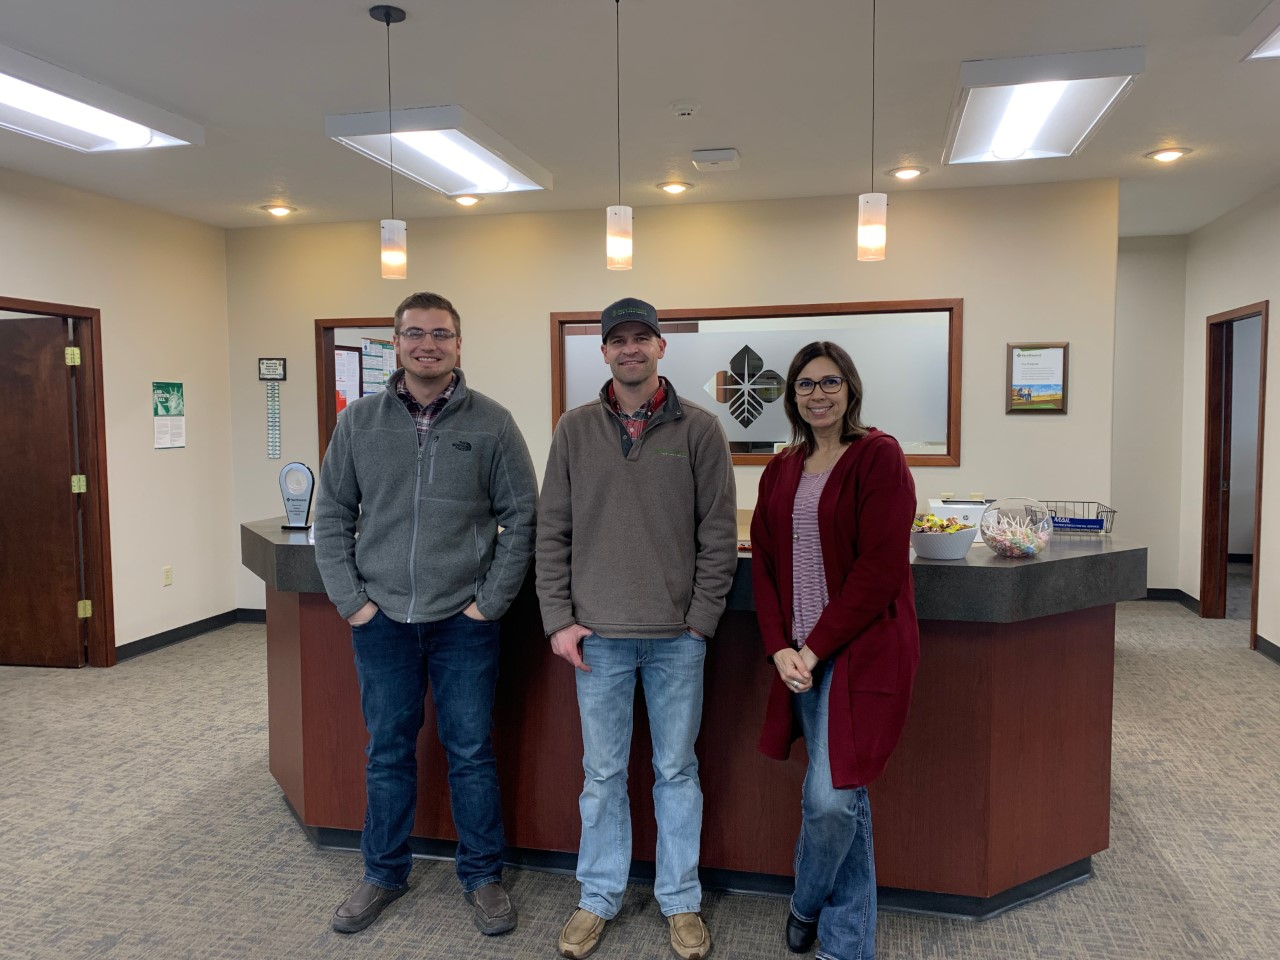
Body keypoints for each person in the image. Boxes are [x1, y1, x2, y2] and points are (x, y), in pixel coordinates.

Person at [313, 291, 537, 937]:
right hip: (381, 620)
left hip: (463, 624)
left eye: (440, 334)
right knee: (387, 752)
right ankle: (382, 873)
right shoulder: (359, 422)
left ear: (459, 344)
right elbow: (332, 514)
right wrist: (353, 603)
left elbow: (522, 516)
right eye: (415, 333)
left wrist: (488, 605)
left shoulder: (492, 423)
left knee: (470, 752)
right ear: (397, 343)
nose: (427, 345)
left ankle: (483, 875)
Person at [536, 297, 738, 960]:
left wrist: (700, 623)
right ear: (603, 352)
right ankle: (597, 897)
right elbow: (552, 531)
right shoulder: (574, 429)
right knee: (601, 775)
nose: (630, 349)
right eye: (618, 340)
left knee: (676, 772)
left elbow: (717, 536)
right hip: (597, 639)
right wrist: (559, 620)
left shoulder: (701, 430)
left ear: (660, 347)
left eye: (641, 338)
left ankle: (680, 901)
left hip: (677, 639)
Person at [749, 341, 919, 960]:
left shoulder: (878, 457)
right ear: (791, 396)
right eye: (804, 384)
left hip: (859, 654)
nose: (817, 394)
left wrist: (814, 649)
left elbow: (879, 571)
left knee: (831, 799)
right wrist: (779, 648)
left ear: (850, 389)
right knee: (845, 798)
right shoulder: (781, 469)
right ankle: (846, 945)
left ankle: (806, 902)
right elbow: (764, 565)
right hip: (797, 658)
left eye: (829, 382)